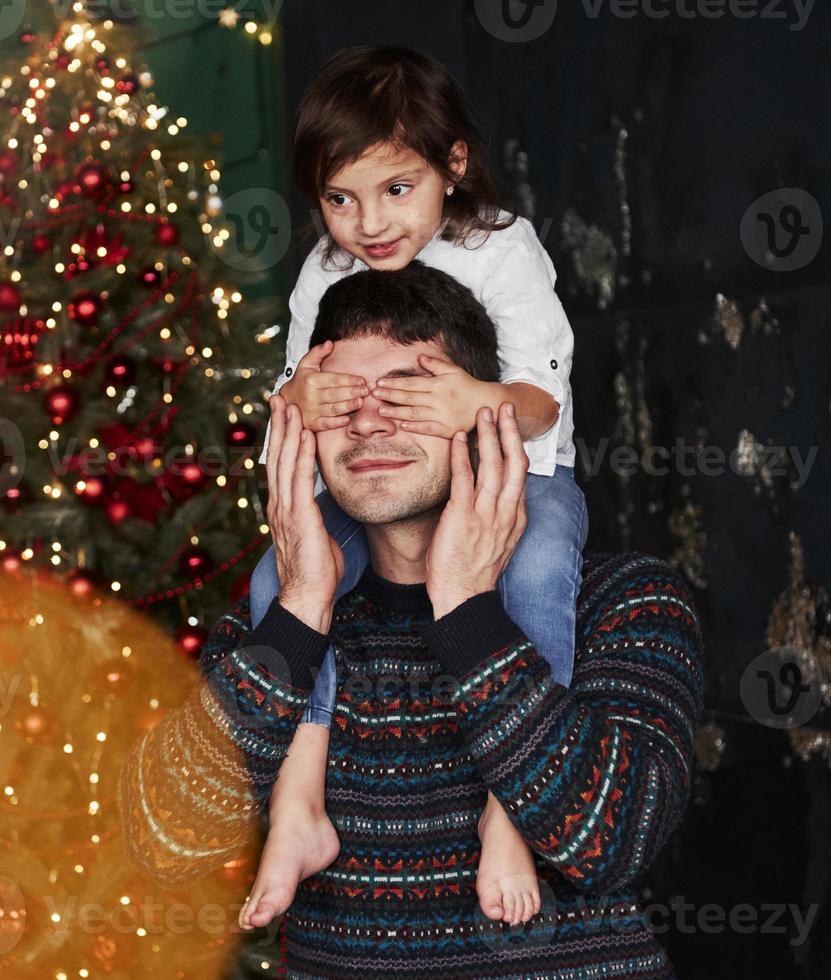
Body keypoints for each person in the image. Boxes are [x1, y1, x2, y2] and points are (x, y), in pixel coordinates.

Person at [117, 263, 702, 978]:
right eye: (338, 401)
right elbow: (168, 842)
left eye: (407, 392)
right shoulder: (276, 627)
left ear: (489, 413)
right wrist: (302, 609)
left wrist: (466, 607)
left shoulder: (622, 602)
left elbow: (614, 838)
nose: (368, 421)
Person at [245, 43, 586, 928]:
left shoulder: (499, 246)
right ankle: (301, 804)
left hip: (519, 474)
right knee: (274, 580)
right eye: (339, 200)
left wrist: (477, 399)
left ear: (453, 164)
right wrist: (298, 395)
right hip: (381, 497)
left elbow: (543, 398)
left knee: (540, 574)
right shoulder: (326, 270)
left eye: (397, 189)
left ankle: (509, 814)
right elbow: (292, 390)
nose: (370, 224)